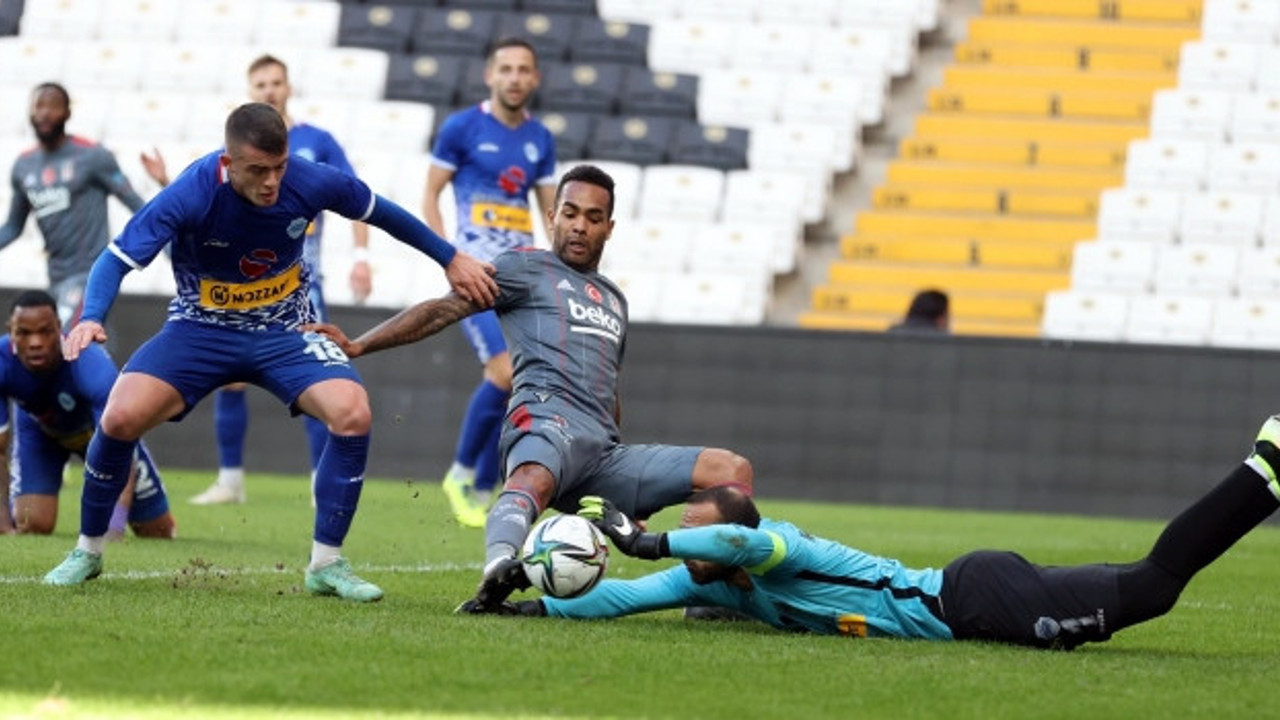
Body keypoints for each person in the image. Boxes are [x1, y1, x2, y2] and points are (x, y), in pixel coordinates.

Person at [42, 102, 498, 601]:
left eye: (279, 167)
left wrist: (450, 258)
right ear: (228, 162)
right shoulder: (192, 192)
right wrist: (91, 316)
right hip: (200, 329)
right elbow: (114, 260)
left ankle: (327, 564)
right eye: (257, 171)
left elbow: (383, 212)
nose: (271, 182)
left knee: (353, 412)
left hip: (286, 329)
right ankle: (87, 551)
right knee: (119, 417)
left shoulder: (310, 179)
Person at [308, 164, 753, 612]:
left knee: (731, 470)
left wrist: (631, 490)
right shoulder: (522, 268)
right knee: (533, 478)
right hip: (545, 423)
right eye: (571, 213)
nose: (580, 225)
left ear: (609, 228)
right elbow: (443, 311)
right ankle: (500, 567)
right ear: (553, 216)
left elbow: (609, 389)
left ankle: (716, 595)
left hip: (601, 454)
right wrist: (361, 344)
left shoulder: (616, 300)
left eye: (594, 218)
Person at [491, 417, 1280, 651]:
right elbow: (619, 602)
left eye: (688, 516)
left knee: (1151, 588)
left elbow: (732, 543)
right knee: (1136, 584)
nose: (678, 524)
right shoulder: (706, 578)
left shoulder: (777, 546)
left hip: (968, 598)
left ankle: (1266, 464)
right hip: (973, 601)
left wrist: (649, 538)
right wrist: (528, 604)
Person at [141, 54, 375, 506]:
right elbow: (205, 207)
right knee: (230, 380)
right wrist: (166, 182)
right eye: (261, 84)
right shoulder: (241, 150)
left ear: (289, 88)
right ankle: (231, 479)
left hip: (300, 281)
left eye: (276, 82)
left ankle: (316, 479)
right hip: (245, 282)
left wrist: (361, 256)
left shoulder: (317, 142)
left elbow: (355, 196)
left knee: (319, 374)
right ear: (251, 92)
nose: (270, 90)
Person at [422, 37, 558, 528]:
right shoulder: (462, 128)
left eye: (524, 69)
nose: (515, 77)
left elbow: (549, 212)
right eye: (506, 68)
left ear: (535, 78)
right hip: (476, 272)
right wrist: (446, 256)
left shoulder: (540, 138)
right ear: (490, 75)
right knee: (503, 373)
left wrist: (559, 264)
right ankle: (459, 476)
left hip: (522, 274)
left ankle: (485, 484)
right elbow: (431, 195)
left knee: (519, 381)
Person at [0, 290, 175, 537]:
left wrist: (113, 527)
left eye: (44, 331)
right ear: (11, 331)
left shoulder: (89, 362)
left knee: (159, 532)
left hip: (101, 436)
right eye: (24, 333)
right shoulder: (2, 362)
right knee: (32, 524)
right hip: (40, 435)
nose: (35, 342)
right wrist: (4, 525)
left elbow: (120, 439)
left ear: (59, 329)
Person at [0, 83, 147, 325]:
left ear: (67, 113)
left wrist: (169, 245)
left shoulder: (92, 156)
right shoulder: (23, 166)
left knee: (67, 337)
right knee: (73, 349)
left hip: (91, 274)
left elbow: (137, 205)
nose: (45, 113)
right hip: (56, 277)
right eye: (39, 106)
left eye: (53, 106)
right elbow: (13, 227)